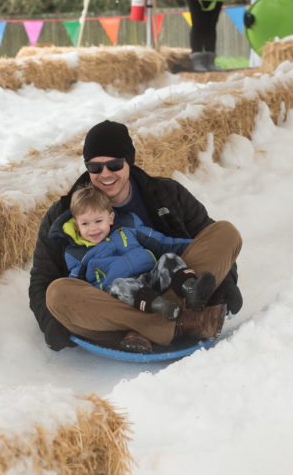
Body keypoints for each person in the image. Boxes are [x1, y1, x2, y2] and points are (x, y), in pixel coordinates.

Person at [29, 120, 244, 355]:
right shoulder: (63, 214)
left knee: (225, 233)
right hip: (113, 304)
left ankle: (152, 328)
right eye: (95, 167)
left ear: (128, 161)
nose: (105, 174)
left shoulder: (166, 193)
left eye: (114, 165)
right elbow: (42, 278)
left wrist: (225, 281)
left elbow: (203, 239)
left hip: (171, 288)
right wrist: (50, 322)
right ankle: (178, 324)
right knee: (57, 293)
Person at [54, 185, 217, 333]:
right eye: (85, 224)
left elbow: (162, 242)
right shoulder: (77, 253)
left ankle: (191, 289)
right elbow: (76, 287)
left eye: (98, 221)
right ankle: (161, 307)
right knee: (119, 285)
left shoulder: (128, 226)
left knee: (168, 259)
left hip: (149, 278)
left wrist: (197, 243)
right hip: (120, 297)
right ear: (76, 225)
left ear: (110, 218)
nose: (93, 228)